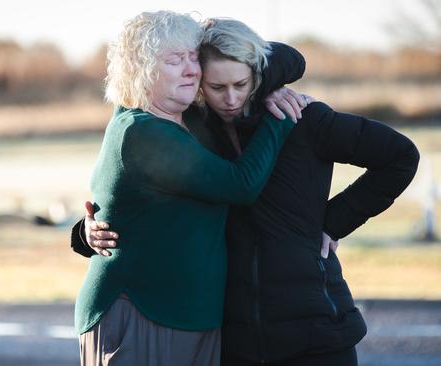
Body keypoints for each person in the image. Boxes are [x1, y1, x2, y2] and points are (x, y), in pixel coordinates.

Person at [76, 18, 420, 366]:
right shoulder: (195, 128)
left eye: (241, 84)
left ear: (258, 76)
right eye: (216, 87)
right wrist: (86, 231)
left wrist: (331, 222)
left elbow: (400, 157)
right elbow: (136, 192)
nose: (230, 98)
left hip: (314, 329)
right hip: (235, 338)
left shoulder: (303, 118)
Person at [73, 11, 297, 366]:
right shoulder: (140, 130)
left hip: (191, 315)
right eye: (175, 60)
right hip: (141, 312)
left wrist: (219, 38)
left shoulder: (190, 119)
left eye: (194, 58)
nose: (192, 70)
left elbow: (289, 60)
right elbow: (240, 185)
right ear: (141, 68)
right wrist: (281, 116)